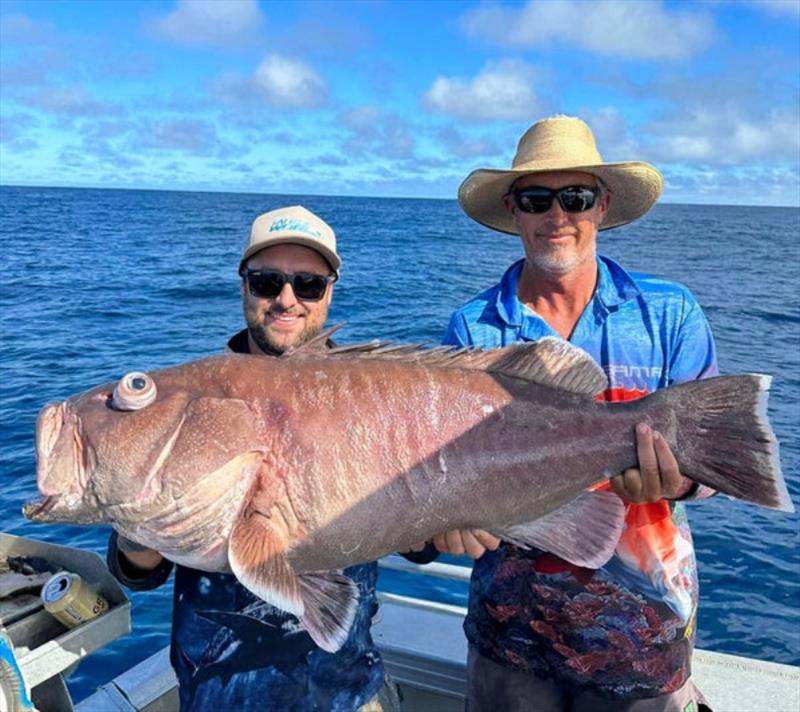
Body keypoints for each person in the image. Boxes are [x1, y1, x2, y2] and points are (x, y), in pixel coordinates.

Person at [433, 116, 717, 711]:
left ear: (602, 205)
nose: (556, 215)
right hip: (511, 634)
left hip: (646, 632)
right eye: (537, 199)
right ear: (514, 211)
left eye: (575, 197)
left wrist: (682, 478)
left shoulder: (669, 313)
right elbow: (458, 465)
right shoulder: (472, 329)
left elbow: (715, 460)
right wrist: (447, 515)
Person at [106, 206, 401, 712]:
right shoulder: (195, 398)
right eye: (267, 281)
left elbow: (419, 536)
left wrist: (447, 527)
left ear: (330, 292)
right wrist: (136, 520)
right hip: (217, 695)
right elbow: (139, 569)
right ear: (244, 286)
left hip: (346, 691)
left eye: (307, 284)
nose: (286, 300)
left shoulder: (378, 396)